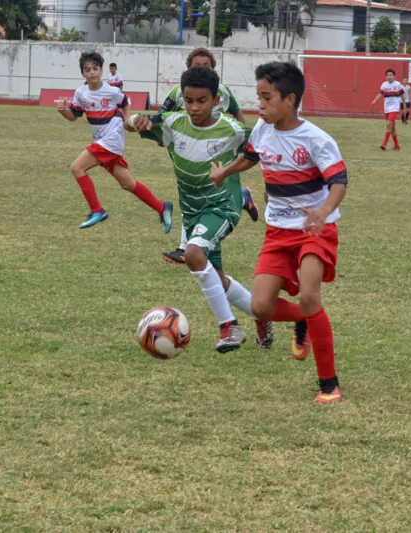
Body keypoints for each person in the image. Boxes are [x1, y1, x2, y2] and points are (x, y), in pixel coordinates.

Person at [210, 61, 348, 404]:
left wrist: (323, 211)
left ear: (290, 99)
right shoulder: (262, 129)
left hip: (314, 230)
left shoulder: (316, 139)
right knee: (260, 306)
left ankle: (329, 383)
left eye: (267, 97)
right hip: (277, 232)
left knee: (310, 295)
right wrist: (224, 172)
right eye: (258, 97)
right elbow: (251, 157)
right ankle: (306, 320)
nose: (261, 104)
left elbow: (339, 182)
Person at [131, 66, 276, 352]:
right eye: (188, 100)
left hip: (222, 206)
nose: (195, 107)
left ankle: (229, 327)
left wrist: (271, 187)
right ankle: (263, 316)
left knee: (193, 254)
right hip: (193, 212)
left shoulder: (231, 130)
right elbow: (133, 121)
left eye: (202, 101)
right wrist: (136, 120)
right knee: (217, 279)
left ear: (216, 99)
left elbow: (264, 151)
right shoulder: (173, 125)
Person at [157, 47, 260, 266]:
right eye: (197, 66)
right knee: (192, 192)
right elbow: (161, 114)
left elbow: (237, 113)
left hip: (218, 151)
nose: (201, 69)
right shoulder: (178, 91)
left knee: (205, 192)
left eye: (206, 66)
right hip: (189, 146)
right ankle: (242, 199)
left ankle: (186, 248)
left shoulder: (223, 91)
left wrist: (240, 137)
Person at [57, 51, 173, 231]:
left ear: (101, 70)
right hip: (101, 139)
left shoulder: (111, 91)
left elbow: (125, 102)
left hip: (113, 138)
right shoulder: (80, 93)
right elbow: (74, 116)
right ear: (82, 74)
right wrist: (63, 110)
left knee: (77, 167)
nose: (92, 73)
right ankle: (162, 207)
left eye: (95, 68)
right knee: (127, 183)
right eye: (88, 70)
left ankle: (97, 210)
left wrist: (127, 121)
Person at [370, 68, 405, 151]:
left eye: (391, 75)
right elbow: (380, 94)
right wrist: (375, 100)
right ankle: (396, 145)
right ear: (386, 76)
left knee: (388, 124)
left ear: (394, 76)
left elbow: (403, 95)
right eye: (388, 75)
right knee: (392, 127)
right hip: (387, 108)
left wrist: (404, 107)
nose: (389, 77)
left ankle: (384, 144)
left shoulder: (398, 84)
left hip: (395, 108)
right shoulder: (384, 85)